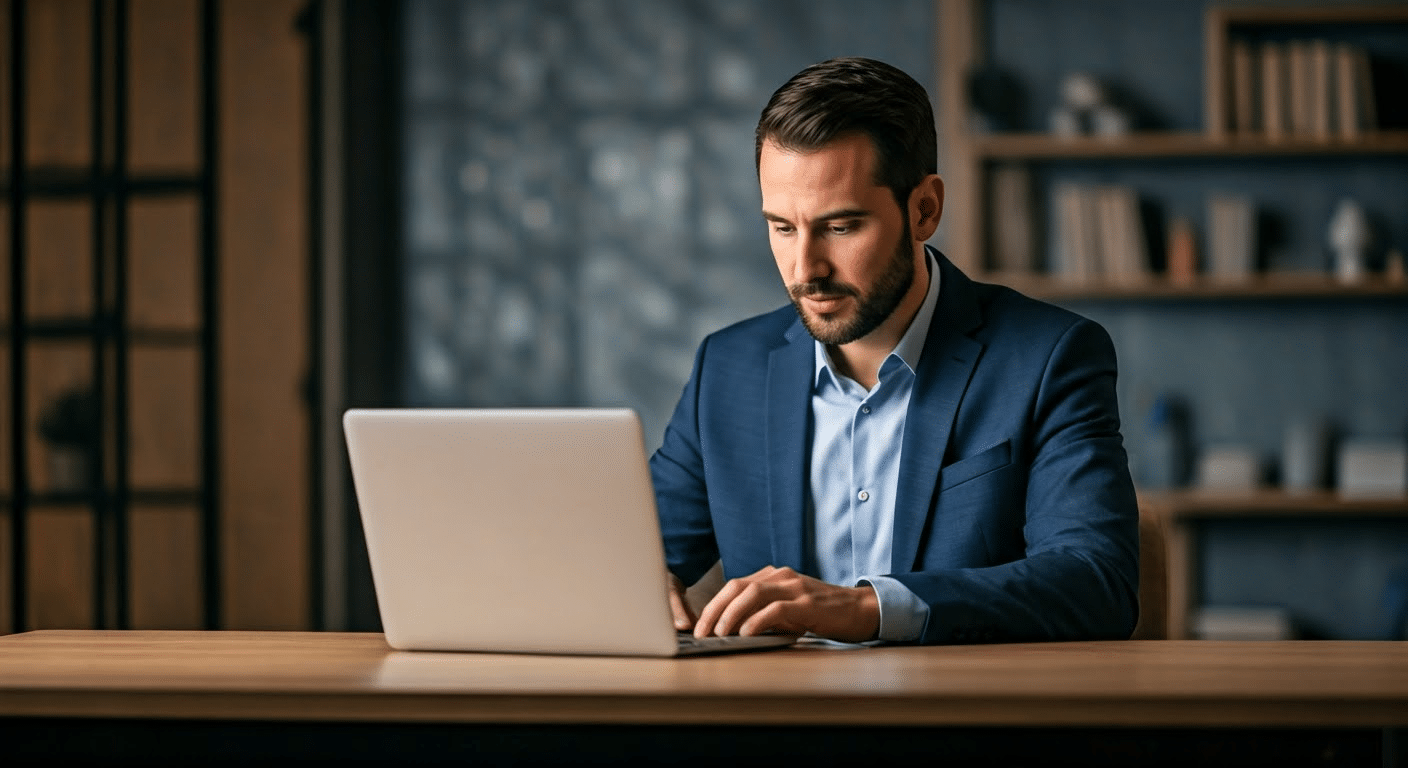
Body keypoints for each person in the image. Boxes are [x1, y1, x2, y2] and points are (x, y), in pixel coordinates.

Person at [649, 57, 1140, 645]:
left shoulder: (1050, 357)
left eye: (841, 227)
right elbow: (633, 550)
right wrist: (634, 580)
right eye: (782, 227)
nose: (806, 270)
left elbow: (1097, 583)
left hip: (954, 725)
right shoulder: (726, 369)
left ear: (924, 209)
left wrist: (867, 609)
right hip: (769, 726)